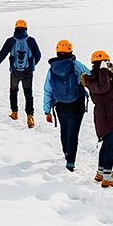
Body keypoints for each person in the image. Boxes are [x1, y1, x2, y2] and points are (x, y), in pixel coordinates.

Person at [42, 39, 90, 171]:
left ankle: (66, 153)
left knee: (64, 130)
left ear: (57, 52)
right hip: (77, 103)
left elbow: (48, 89)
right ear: (71, 51)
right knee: (73, 133)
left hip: (60, 105)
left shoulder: (52, 69)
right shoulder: (76, 65)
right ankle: (70, 162)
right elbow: (90, 76)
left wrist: (47, 110)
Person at [83, 50, 113, 188]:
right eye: (104, 62)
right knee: (112, 144)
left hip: (112, 115)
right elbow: (102, 88)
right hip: (104, 116)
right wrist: (103, 71)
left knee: (107, 144)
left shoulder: (108, 76)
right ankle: (108, 176)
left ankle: (101, 172)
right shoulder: (92, 80)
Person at [0, 18, 42, 126]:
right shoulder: (31, 40)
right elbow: (38, 55)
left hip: (15, 72)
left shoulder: (10, 41)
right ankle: (30, 117)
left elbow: (1, 56)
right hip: (28, 72)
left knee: (13, 91)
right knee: (28, 94)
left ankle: (14, 113)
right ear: (26, 28)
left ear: (15, 29)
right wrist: (32, 66)